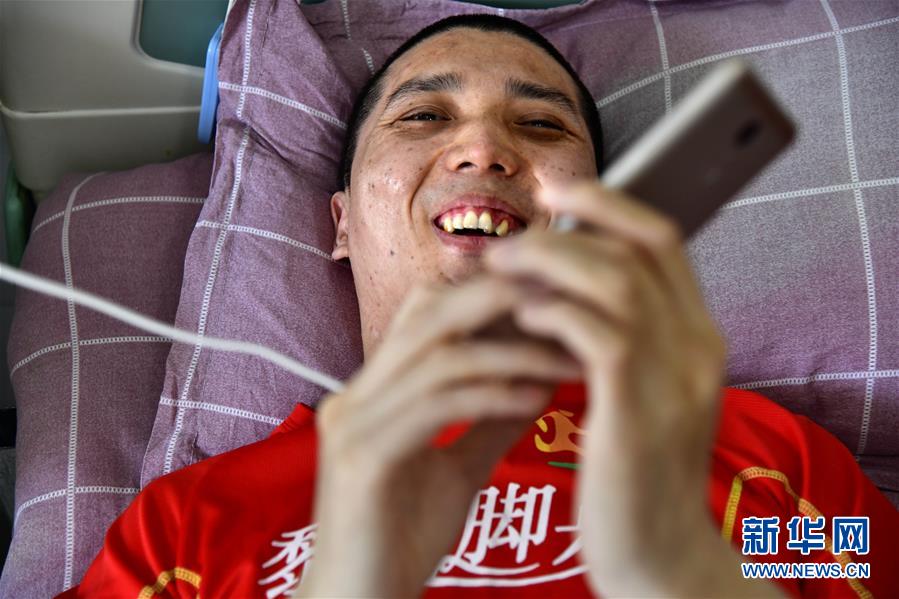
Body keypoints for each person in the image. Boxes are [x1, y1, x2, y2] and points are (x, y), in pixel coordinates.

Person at [61, 14, 898, 599]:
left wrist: (687, 569)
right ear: (342, 223)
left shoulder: (767, 467)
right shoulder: (187, 529)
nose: (483, 147)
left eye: (540, 126)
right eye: (424, 115)